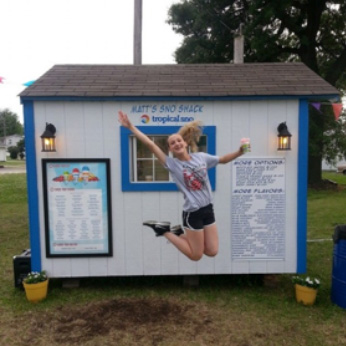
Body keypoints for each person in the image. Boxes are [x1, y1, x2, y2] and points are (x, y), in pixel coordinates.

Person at [118, 110, 245, 261]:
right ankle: (164, 230)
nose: (176, 143)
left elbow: (223, 159)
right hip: (193, 213)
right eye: (172, 143)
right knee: (196, 255)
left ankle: (178, 232)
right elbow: (150, 144)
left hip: (208, 209)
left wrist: (240, 151)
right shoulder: (172, 165)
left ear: (185, 143)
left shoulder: (201, 158)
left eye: (178, 140)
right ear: (170, 149)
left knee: (212, 251)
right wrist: (131, 127)